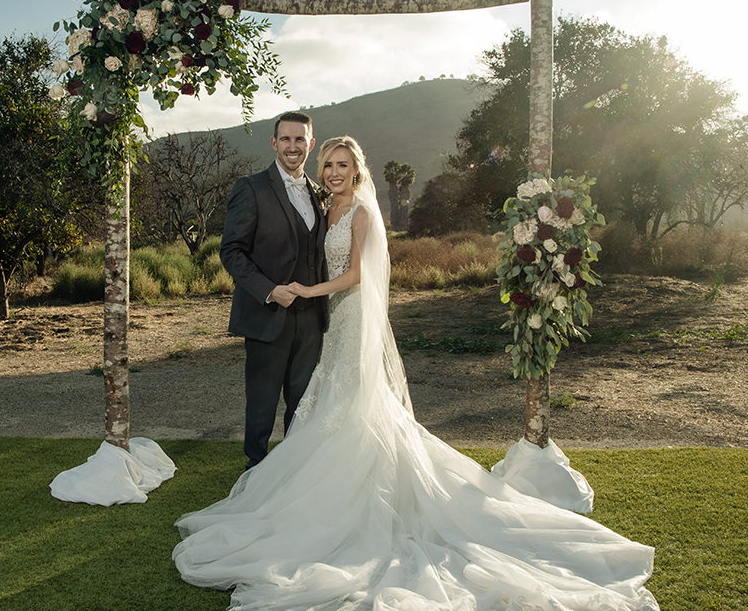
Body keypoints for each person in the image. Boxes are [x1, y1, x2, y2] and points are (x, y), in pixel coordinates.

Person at [176, 136, 660, 611]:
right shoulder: (323, 207)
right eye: (329, 166)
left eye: (342, 165)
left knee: (351, 406)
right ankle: (290, 486)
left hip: (346, 314)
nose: (334, 172)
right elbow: (266, 249)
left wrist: (306, 291)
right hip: (328, 320)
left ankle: (347, 498)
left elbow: (358, 275)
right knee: (325, 408)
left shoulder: (362, 212)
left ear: (357, 169)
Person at [219, 111, 328, 470]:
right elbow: (232, 252)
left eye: (300, 140)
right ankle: (254, 472)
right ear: (274, 143)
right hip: (268, 316)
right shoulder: (250, 187)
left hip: (311, 320)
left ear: (310, 145)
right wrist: (270, 291)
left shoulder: (318, 192)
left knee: (302, 404)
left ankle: (293, 477)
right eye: (286, 139)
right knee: (262, 404)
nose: (293, 147)